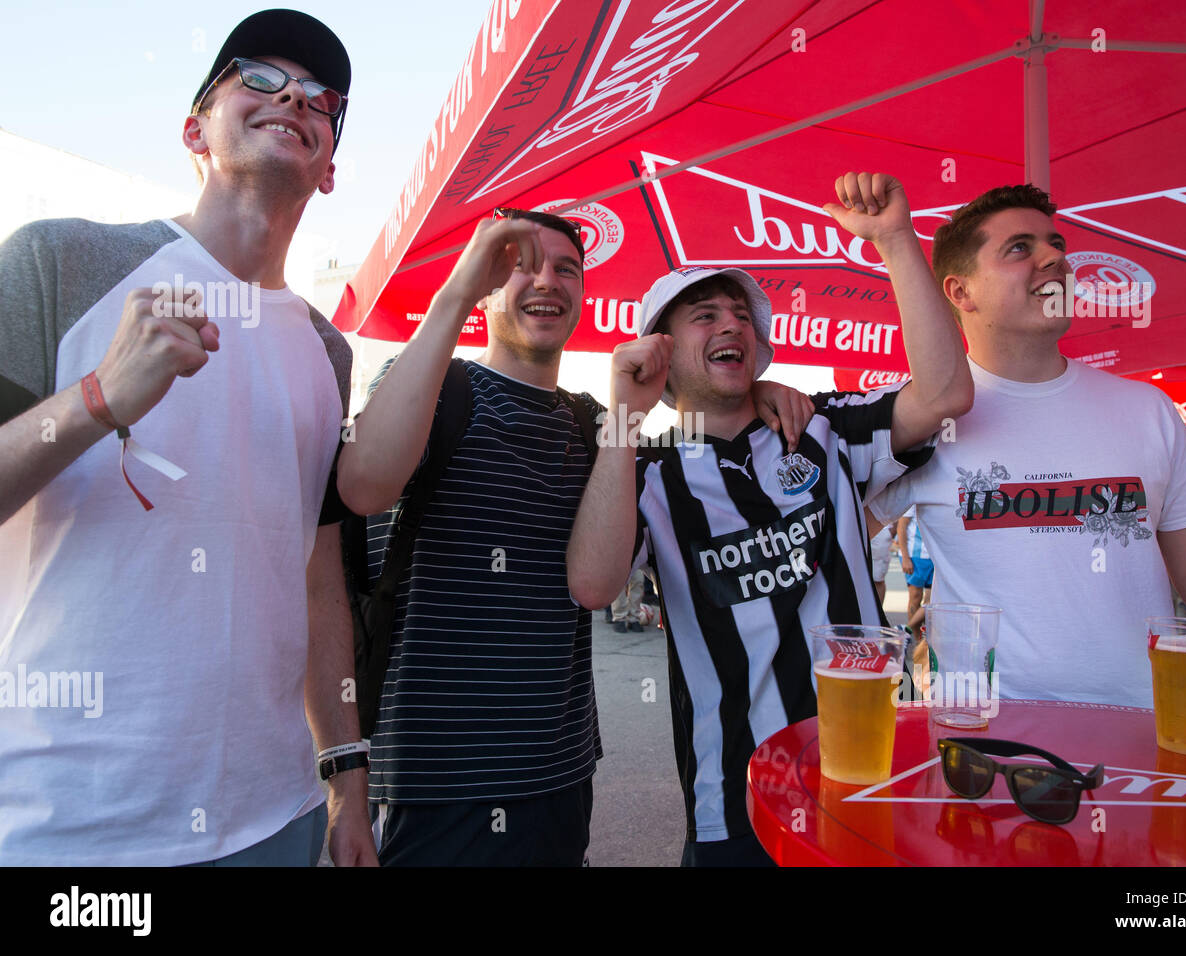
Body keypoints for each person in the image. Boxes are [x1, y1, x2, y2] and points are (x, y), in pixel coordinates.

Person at [0, 9, 375, 865]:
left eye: (322, 99)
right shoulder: (57, 262)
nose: (296, 99)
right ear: (193, 128)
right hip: (74, 825)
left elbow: (318, 578)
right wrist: (97, 399)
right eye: (261, 77)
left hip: (278, 818)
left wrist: (346, 778)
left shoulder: (328, 350)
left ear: (328, 169)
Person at [336, 208, 808, 866]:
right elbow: (363, 485)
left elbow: (598, 578)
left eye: (567, 269)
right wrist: (455, 293)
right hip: (434, 783)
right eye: (521, 264)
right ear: (487, 284)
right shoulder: (433, 386)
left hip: (560, 779)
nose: (547, 281)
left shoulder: (592, 423)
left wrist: (754, 392)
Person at [567, 172, 973, 865]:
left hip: (874, 775)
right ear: (661, 353)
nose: (732, 323)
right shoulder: (650, 473)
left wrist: (896, 242)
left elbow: (946, 393)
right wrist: (625, 419)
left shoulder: (822, 427)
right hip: (737, 800)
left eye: (741, 315)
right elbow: (594, 585)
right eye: (705, 316)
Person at [868, 184, 1186, 708]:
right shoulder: (921, 421)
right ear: (960, 293)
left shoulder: (1146, 410)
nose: (1055, 258)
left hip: (1142, 733)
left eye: (1057, 244)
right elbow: (825, 550)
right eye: (1020, 248)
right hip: (982, 743)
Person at [896, 506, 932, 632]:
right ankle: (915, 639)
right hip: (915, 556)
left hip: (935, 557)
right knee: (915, 597)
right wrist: (905, 557)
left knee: (932, 601)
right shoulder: (915, 497)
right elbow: (901, 527)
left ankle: (906, 631)